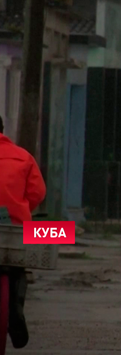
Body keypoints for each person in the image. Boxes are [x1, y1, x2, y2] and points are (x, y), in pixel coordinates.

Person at [0, 115, 46, 349]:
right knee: (19, 264)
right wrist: (22, 210)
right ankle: (16, 311)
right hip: (16, 230)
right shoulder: (23, 157)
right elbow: (38, 192)